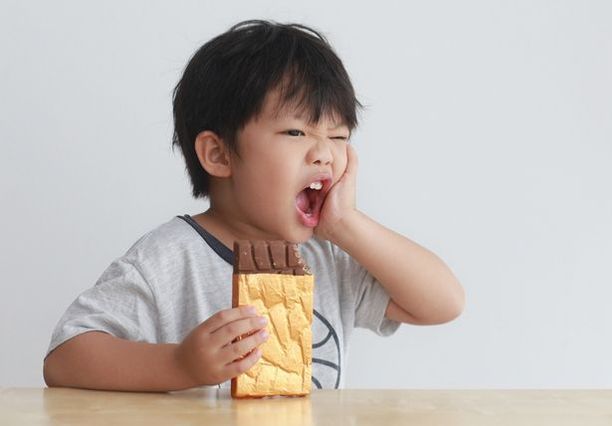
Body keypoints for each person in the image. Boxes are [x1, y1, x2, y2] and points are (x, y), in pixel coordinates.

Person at [43, 19, 465, 392]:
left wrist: (347, 225)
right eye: (297, 133)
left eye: (338, 137)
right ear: (219, 155)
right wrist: (178, 364)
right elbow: (65, 357)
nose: (324, 154)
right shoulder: (168, 258)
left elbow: (443, 303)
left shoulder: (330, 255)